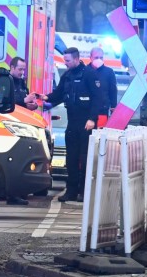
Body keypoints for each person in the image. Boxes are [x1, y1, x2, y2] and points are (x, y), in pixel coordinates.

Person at [44, 47, 101, 203]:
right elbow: (59, 94)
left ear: (76, 59)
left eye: (68, 60)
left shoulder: (89, 74)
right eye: (65, 60)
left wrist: (92, 119)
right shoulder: (67, 75)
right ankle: (71, 191)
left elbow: (98, 98)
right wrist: (45, 97)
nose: (66, 63)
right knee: (71, 159)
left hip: (86, 124)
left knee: (85, 158)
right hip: (72, 122)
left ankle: (83, 191)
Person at [89, 47, 118, 127]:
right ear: (90, 58)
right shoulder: (85, 71)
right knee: (86, 136)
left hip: (102, 110)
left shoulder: (109, 72)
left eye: (101, 57)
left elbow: (113, 90)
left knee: (100, 136)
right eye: (96, 57)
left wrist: (113, 107)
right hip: (87, 110)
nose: (99, 59)